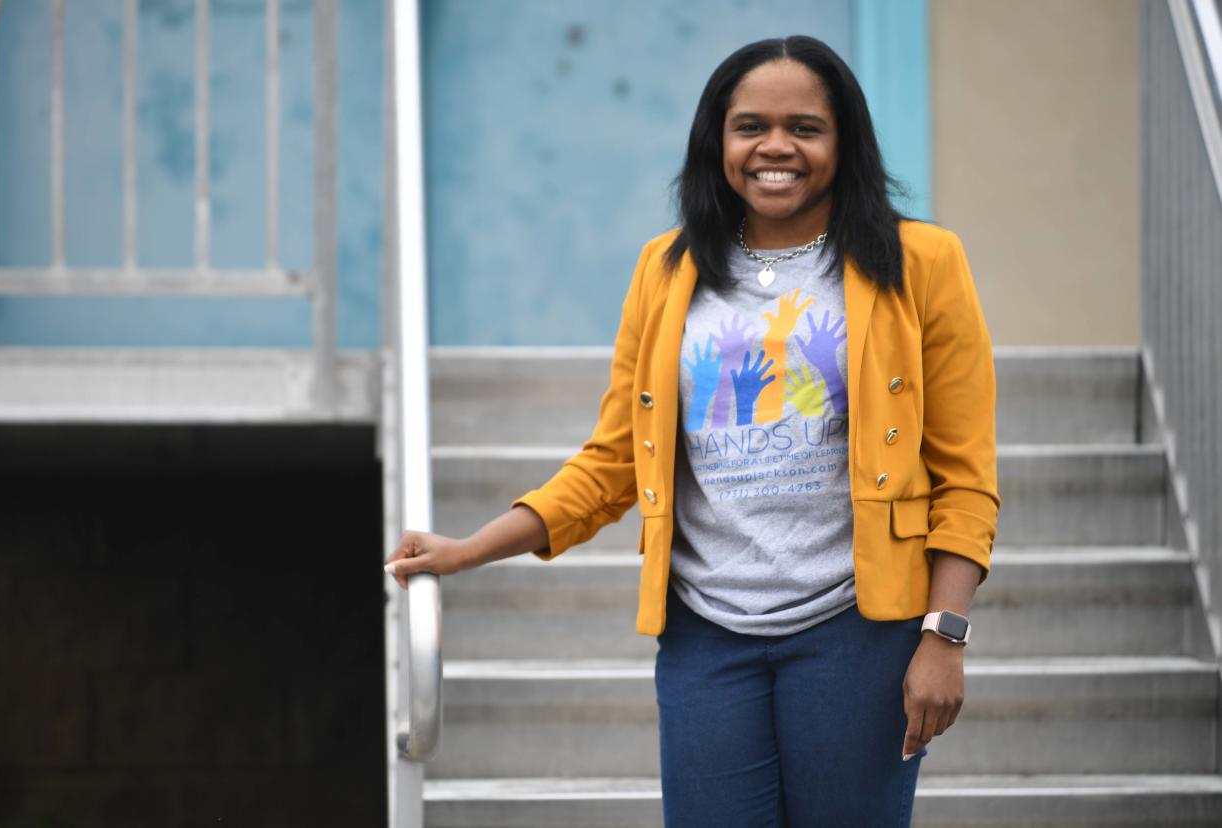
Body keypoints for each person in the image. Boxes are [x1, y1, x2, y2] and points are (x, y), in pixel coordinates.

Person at [384, 34, 999, 828]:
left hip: (857, 631)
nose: (775, 147)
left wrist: (943, 637)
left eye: (805, 127)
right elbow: (613, 460)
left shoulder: (922, 262)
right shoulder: (666, 269)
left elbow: (964, 473)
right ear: (719, 141)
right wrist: (471, 547)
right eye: (750, 126)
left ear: (843, 142)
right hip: (706, 636)